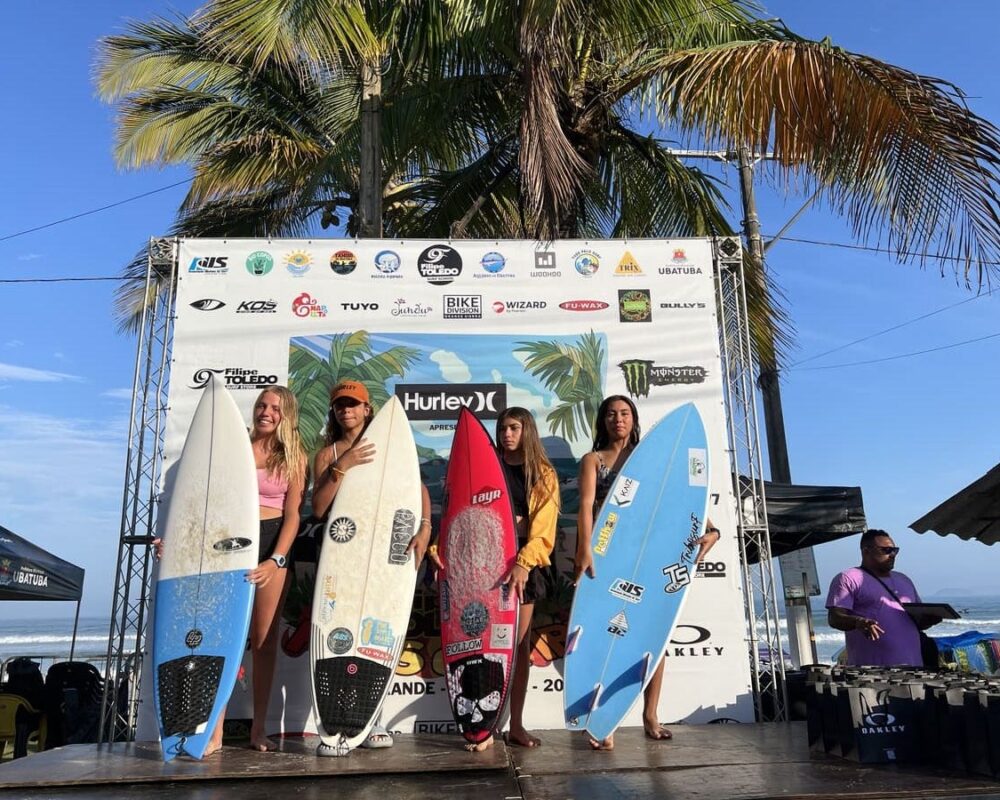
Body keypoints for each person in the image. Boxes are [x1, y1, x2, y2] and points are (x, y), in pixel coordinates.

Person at [573, 395, 720, 750]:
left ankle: (650, 715)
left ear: (633, 418)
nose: (617, 420)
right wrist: (584, 549)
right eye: (610, 414)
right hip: (610, 557)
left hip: (652, 557)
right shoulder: (594, 460)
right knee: (601, 635)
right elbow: (585, 506)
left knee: (653, 638)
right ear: (602, 422)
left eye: (624, 413)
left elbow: (684, 505)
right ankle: (602, 719)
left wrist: (712, 532)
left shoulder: (654, 457)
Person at [311, 380, 432, 747]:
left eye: (353, 404)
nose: (345, 410)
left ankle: (372, 718)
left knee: (378, 628)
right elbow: (318, 509)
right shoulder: (327, 452)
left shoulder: (390, 446)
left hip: (383, 555)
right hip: (343, 555)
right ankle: (334, 716)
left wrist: (426, 528)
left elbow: (418, 490)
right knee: (339, 629)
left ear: (368, 409)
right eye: (339, 405)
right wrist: (342, 465)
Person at [486, 406, 561, 751]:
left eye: (514, 428)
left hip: (523, 571)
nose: (507, 434)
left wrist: (523, 563)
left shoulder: (542, 474)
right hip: (485, 566)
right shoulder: (489, 466)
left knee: (514, 648)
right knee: (483, 645)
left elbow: (542, 531)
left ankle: (514, 724)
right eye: (503, 428)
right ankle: (481, 725)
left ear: (527, 430)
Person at [826, 528, 930, 667]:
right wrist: (858, 622)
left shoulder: (904, 580)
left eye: (895, 550)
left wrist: (930, 620)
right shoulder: (848, 578)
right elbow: (835, 618)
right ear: (866, 551)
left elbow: (916, 621)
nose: (892, 554)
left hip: (913, 669)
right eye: (886, 550)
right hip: (872, 673)